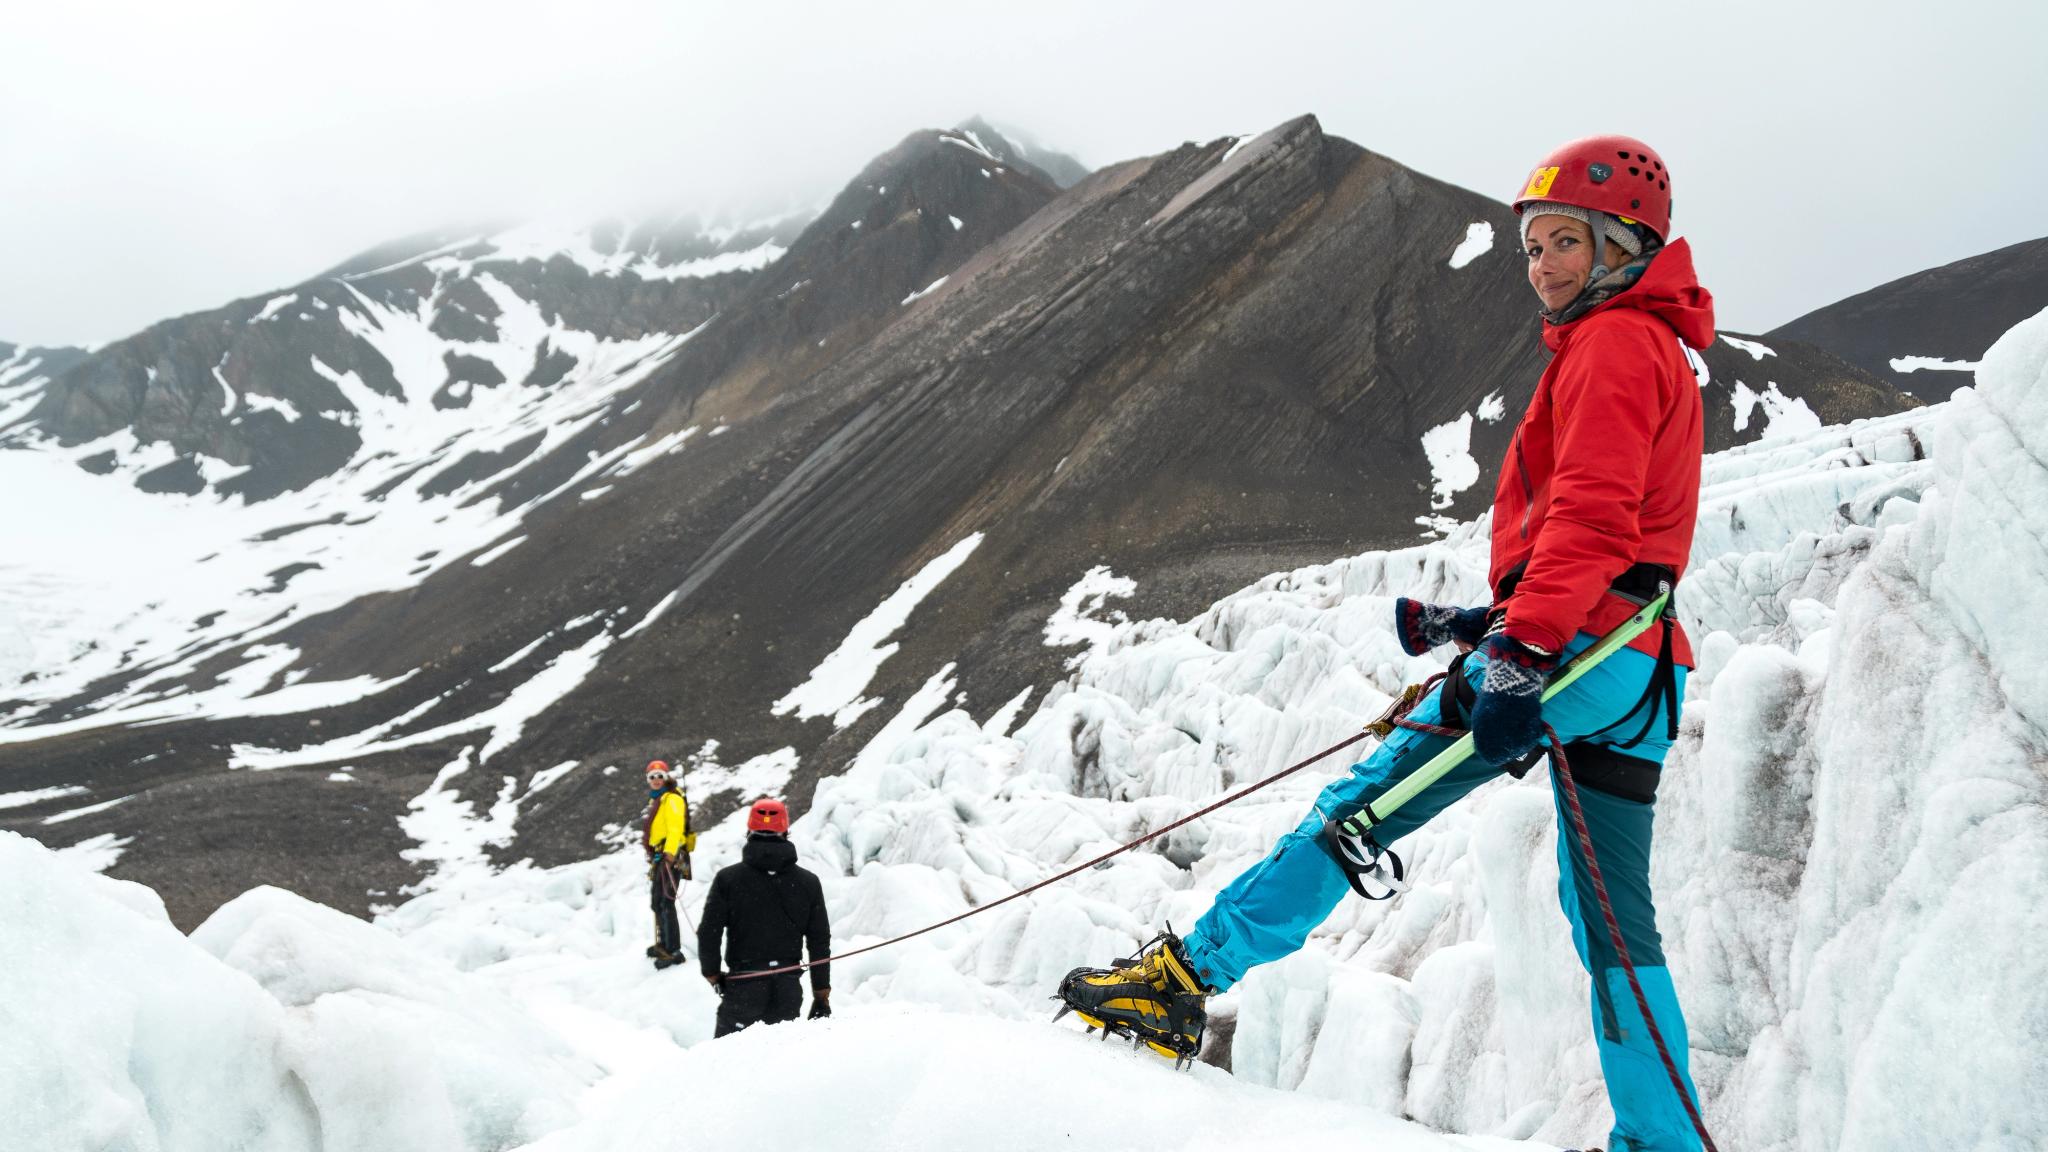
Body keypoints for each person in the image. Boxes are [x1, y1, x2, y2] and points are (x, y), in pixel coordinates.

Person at [1060, 135, 1711, 1152]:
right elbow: (1623, 539)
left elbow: (1589, 516)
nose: (1541, 265)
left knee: (1353, 813)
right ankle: (1662, 1138)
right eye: (1532, 247)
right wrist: (1489, 621)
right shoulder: (1652, 347)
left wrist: (1517, 652)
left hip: (1574, 659)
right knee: (1614, 922)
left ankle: (1180, 984)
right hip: (1639, 669)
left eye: (1563, 242)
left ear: (1622, 244)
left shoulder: (1613, 344)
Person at [698, 797, 833, 1036]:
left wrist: (713, 974)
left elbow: (709, 931)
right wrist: (821, 994)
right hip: (788, 990)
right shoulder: (808, 882)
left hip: (743, 988)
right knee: (779, 1055)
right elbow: (819, 940)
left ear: (749, 831)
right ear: (786, 831)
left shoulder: (728, 879)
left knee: (728, 1056)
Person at [643, 760, 695, 970]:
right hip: (662, 854)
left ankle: (674, 951)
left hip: (670, 855)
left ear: (666, 777)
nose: (656, 780)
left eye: (659, 776)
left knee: (666, 902)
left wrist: (670, 853)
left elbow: (675, 828)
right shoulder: (660, 799)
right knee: (658, 901)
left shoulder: (672, 799)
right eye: (652, 777)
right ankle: (664, 945)